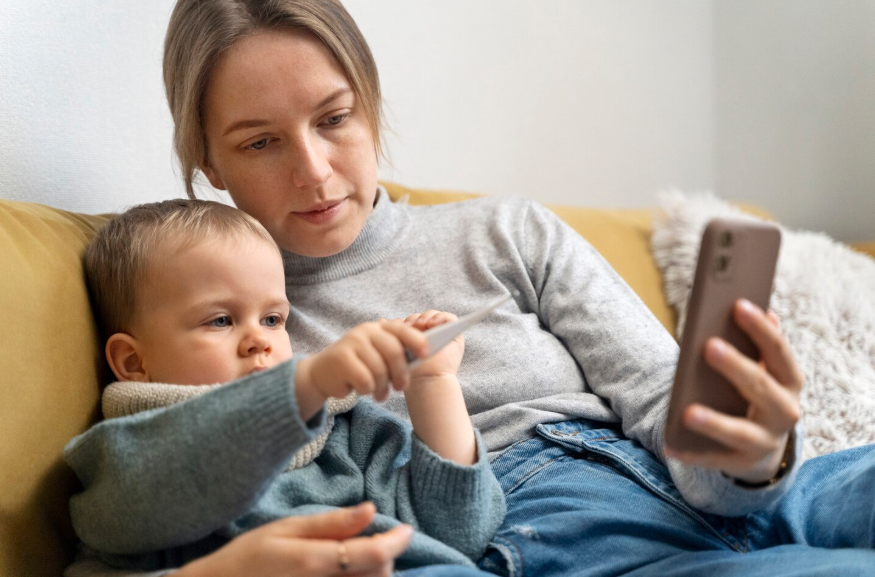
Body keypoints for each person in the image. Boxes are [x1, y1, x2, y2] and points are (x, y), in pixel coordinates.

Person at [68, 0, 875, 575]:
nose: (313, 171)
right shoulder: (231, 332)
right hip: (553, 531)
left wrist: (747, 455)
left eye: (334, 119)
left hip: (706, 482)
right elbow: (149, 488)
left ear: (371, 109)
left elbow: (661, 398)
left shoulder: (507, 229)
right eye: (260, 142)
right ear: (209, 162)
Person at [66, 199, 504, 574]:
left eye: (273, 319)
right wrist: (306, 381)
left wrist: (433, 382)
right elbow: (150, 496)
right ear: (133, 362)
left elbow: (462, 533)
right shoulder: (124, 453)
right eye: (220, 320)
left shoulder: (347, 431)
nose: (260, 339)